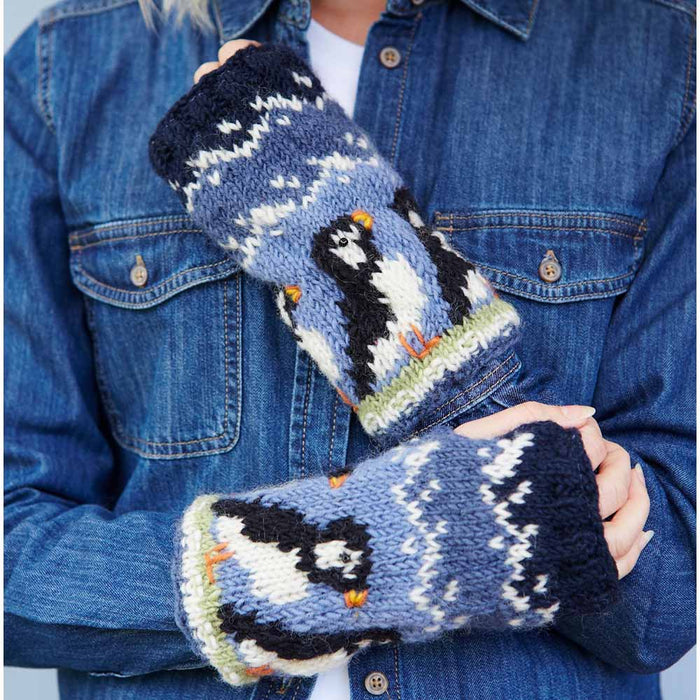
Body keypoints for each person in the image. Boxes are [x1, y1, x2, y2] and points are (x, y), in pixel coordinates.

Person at [4, 1, 694, 700]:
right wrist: (365, 559)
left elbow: (664, 605)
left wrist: (375, 291)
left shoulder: (665, 66)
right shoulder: (63, 70)